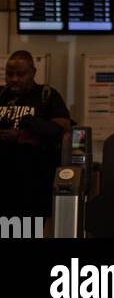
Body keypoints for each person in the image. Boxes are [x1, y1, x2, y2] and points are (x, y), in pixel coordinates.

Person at [0, 51, 72, 219]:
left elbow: (63, 129)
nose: (14, 79)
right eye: (10, 74)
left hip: (33, 185)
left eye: (20, 74)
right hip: (3, 184)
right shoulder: (2, 95)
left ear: (33, 72)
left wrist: (24, 134)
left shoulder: (47, 96)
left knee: (27, 230)